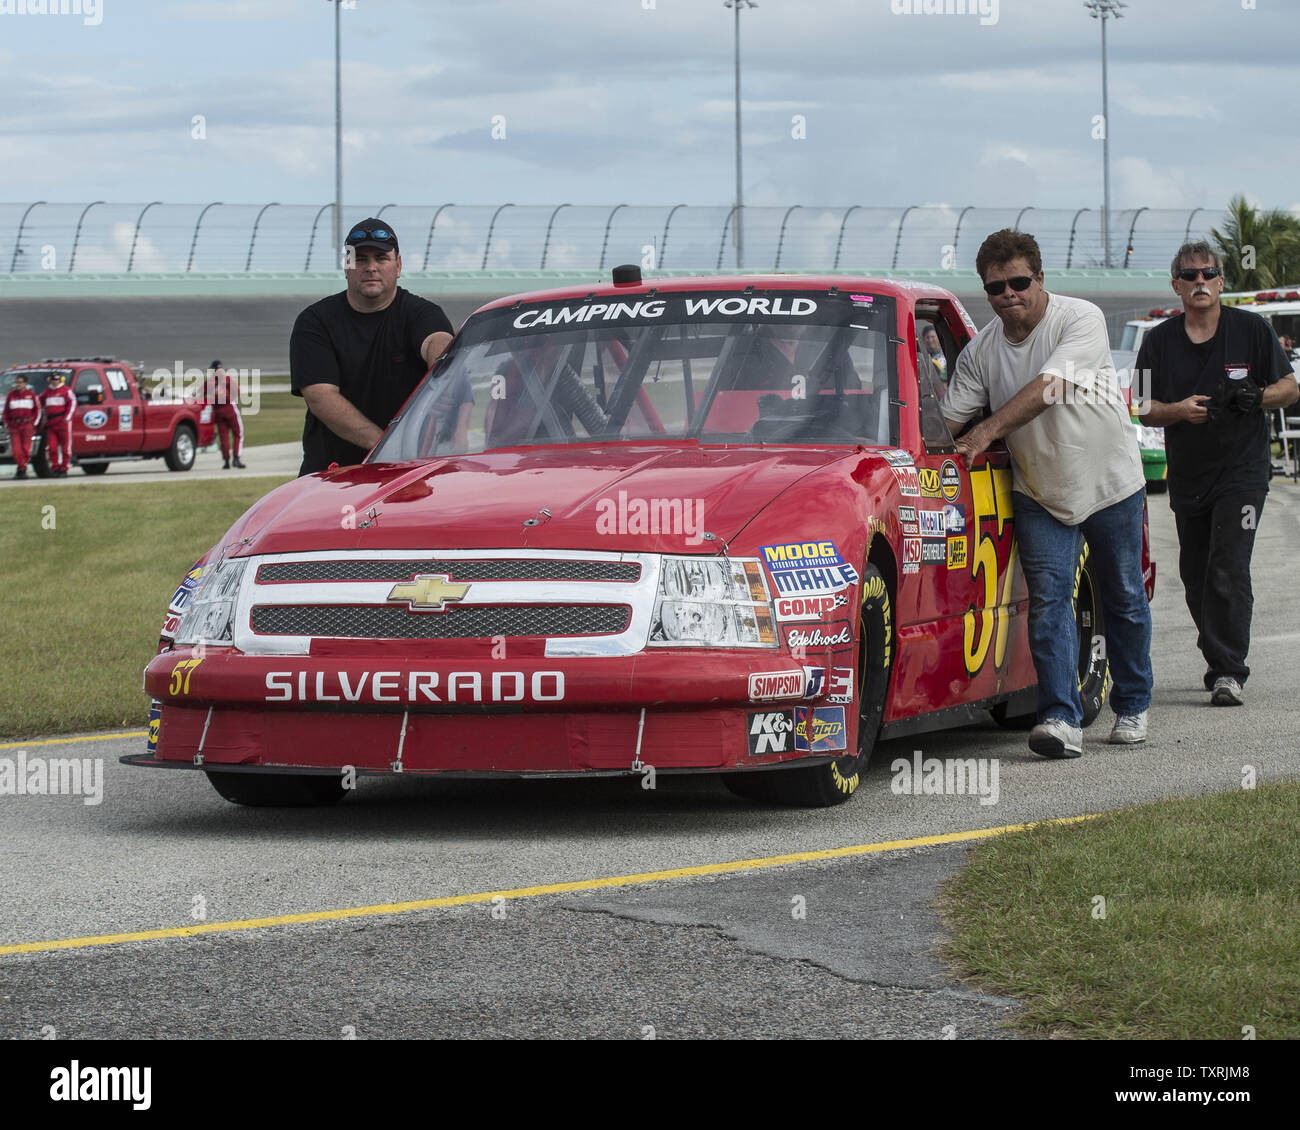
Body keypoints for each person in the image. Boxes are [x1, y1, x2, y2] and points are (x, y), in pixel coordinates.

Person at [942, 229, 1153, 758]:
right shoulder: (981, 351)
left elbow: (1049, 389)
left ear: (1041, 278)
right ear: (985, 291)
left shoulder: (1081, 319)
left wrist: (988, 430)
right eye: (996, 287)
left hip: (1109, 483)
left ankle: (1132, 703)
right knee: (1049, 602)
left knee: (1123, 594)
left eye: (1019, 281)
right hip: (1040, 491)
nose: (1009, 294)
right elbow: (948, 421)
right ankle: (1060, 717)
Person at [1137, 242, 1298, 706]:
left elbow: (1290, 387)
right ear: (1176, 286)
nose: (1199, 282)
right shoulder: (1157, 341)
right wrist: (1179, 411)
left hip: (1243, 471)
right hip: (1189, 475)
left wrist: (1258, 397)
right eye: (1189, 276)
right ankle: (1216, 650)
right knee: (1196, 572)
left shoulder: (1251, 329)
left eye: (1208, 273)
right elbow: (1143, 408)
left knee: (1228, 563)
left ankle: (1229, 670)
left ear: (1222, 282)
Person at [290, 219, 455, 475]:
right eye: (360, 260)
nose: (371, 268)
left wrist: (444, 371)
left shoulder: (421, 313)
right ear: (347, 266)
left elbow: (436, 340)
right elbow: (320, 397)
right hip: (333, 477)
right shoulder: (315, 322)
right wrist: (385, 448)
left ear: (398, 265)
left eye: (381, 258)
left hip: (409, 474)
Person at [205, 361, 246, 469]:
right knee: (238, 433)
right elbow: (236, 391)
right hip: (229, 408)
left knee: (223, 437)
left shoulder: (209, 382)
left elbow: (200, 394)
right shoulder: (226, 379)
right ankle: (236, 458)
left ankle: (226, 461)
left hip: (218, 411)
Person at [3, 374, 42, 479]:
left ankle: (21, 469)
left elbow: (37, 410)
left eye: (20, 382)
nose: (18, 385)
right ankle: (21, 467)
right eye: (17, 382)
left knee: (25, 448)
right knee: (16, 450)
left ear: (25, 383)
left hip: (27, 425)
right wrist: (7, 423)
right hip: (14, 426)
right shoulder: (11, 396)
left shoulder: (31, 395)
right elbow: (6, 412)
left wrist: (34, 423)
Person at [39, 371, 75, 477]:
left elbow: (72, 404)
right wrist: (42, 410)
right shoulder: (47, 392)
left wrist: (67, 418)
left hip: (63, 422)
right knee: (52, 448)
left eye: (57, 379)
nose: (55, 382)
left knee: (65, 448)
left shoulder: (66, 391)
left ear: (61, 380)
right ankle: (55, 468)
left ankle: (64, 468)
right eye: (53, 380)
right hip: (51, 423)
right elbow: (39, 400)